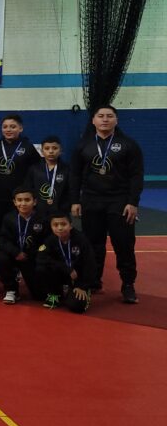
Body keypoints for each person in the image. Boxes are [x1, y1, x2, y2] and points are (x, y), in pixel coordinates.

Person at [70, 105, 144, 303]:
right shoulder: (82, 145)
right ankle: (93, 281)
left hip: (119, 201)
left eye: (109, 116)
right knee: (93, 244)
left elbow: (136, 176)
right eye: (101, 116)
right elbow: (75, 175)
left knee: (124, 244)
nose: (105, 119)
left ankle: (128, 284)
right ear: (93, 120)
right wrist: (75, 200)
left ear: (116, 120)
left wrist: (133, 202)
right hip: (91, 200)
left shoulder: (129, 145)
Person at [0, 113, 40, 255]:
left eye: (13, 127)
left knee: (19, 230)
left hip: (20, 201)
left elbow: (37, 172)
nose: (8, 129)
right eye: (5, 127)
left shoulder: (28, 147)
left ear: (20, 128)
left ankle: (20, 260)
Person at [0, 187, 48, 305]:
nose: (23, 203)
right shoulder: (9, 218)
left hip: (32, 258)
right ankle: (11, 289)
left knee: (39, 296)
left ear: (34, 201)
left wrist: (34, 255)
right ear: (14, 202)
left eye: (27, 200)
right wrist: (16, 252)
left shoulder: (43, 219)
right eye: (19, 200)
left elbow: (46, 242)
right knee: (1, 258)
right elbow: (3, 239)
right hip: (15, 255)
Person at [35, 212, 97, 313]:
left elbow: (90, 264)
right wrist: (66, 268)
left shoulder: (81, 240)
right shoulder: (50, 240)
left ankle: (82, 291)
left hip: (78, 278)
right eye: (55, 225)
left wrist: (82, 286)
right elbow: (41, 258)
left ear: (70, 225)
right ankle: (55, 293)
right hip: (63, 273)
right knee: (41, 268)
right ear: (51, 226)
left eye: (63, 224)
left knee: (76, 306)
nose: (59, 228)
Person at [27, 135, 70, 221]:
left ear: (60, 150)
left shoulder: (67, 169)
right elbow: (29, 188)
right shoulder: (34, 169)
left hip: (60, 211)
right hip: (38, 211)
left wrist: (66, 206)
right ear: (42, 151)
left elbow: (70, 190)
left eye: (55, 148)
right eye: (47, 148)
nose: (51, 151)